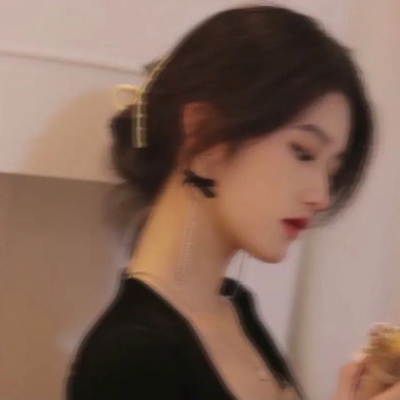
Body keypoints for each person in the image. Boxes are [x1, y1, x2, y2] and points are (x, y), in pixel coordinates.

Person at [65, 5, 400, 400]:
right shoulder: (130, 359)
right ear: (203, 133)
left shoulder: (236, 309)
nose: (321, 196)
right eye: (304, 152)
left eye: (331, 170)